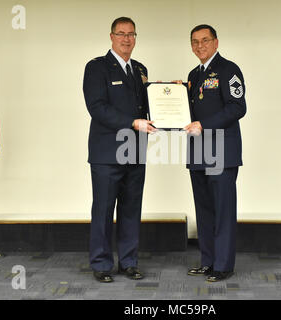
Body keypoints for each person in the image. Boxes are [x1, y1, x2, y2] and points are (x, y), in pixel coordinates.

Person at [83, 17, 156, 283]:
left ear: (136, 37)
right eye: (121, 34)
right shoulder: (96, 67)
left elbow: (148, 105)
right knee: (103, 209)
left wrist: (173, 91)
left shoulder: (139, 68)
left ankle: (129, 262)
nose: (126, 39)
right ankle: (102, 264)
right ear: (111, 36)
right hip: (107, 152)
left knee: (131, 208)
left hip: (135, 150)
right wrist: (132, 122)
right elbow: (97, 107)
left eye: (131, 34)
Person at [184, 24, 247, 282]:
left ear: (216, 42)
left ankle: (223, 265)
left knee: (222, 210)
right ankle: (208, 261)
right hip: (198, 152)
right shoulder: (193, 74)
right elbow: (190, 112)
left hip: (222, 151)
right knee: (205, 211)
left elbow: (237, 107)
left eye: (205, 40)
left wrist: (204, 125)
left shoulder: (228, 70)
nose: (200, 46)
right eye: (195, 42)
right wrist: (177, 94)